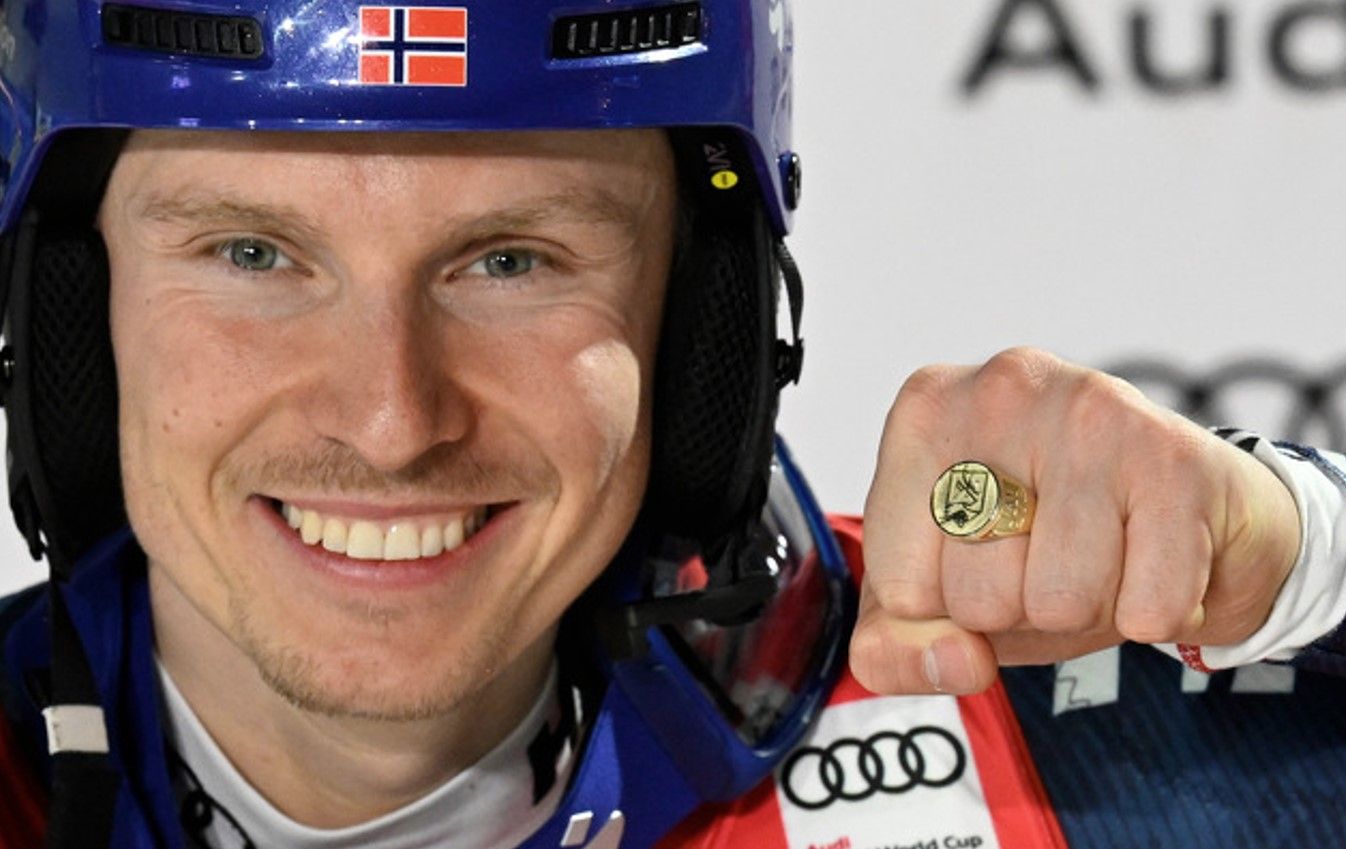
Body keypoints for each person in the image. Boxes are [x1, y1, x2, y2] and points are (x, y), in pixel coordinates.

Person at [0, 1, 1345, 848]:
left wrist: (1295, 550)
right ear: (67, 312)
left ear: (704, 324)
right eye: (249, 255)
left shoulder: (1050, 710)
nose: (390, 418)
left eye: (511, 260)